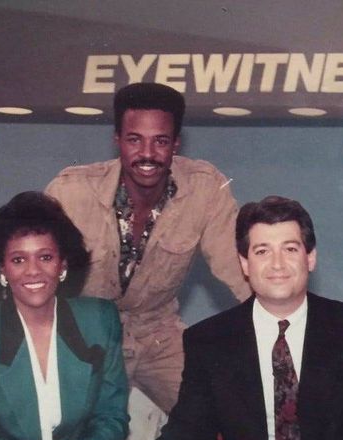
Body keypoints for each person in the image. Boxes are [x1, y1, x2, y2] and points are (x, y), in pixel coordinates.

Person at [123, 196, 343, 440]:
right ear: (245, 264)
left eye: (290, 249)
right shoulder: (209, 340)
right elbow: (191, 428)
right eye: (262, 251)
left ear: (310, 257)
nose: (277, 264)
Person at [45, 82, 250, 418]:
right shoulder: (71, 191)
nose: (148, 154)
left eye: (161, 141)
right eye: (134, 139)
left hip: (159, 333)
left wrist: (286, 330)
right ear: (117, 140)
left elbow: (240, 271)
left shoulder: (206, 188)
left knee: (227, 420)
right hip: (85, 337)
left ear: (176, 144)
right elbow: (35, 276)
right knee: (69, 435)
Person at [0, 192, 129, 440]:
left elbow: (112, 417)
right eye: (18, 260)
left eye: (45, 257)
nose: (33, 271)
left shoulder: (100, 320)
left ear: (63, 265)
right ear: (2, 270)